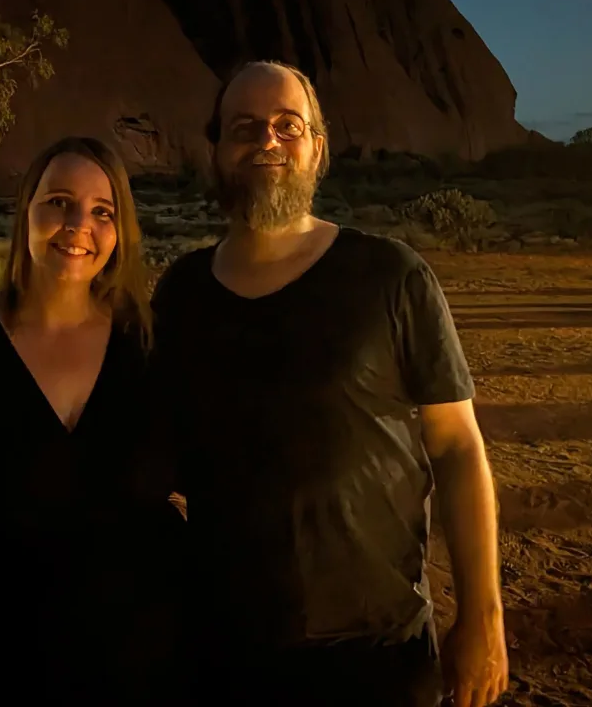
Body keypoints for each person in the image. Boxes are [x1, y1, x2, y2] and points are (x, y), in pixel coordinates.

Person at [148, 61, 509, 707]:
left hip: (377, 653)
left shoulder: (391, 275)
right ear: (216, 149)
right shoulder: (182, 293)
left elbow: (457, 447)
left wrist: (484, 617)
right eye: (244, 127)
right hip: (224, 652)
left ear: (318, 148)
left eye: (288, 126)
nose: (267, 140)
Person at [0, 136, 189, 707]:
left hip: (154, 665)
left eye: (102, 212)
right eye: (58, 202)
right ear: (25, 210)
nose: (79, 226)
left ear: (121, 231)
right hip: (6, 662)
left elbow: (212, 490)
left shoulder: (154, 341)